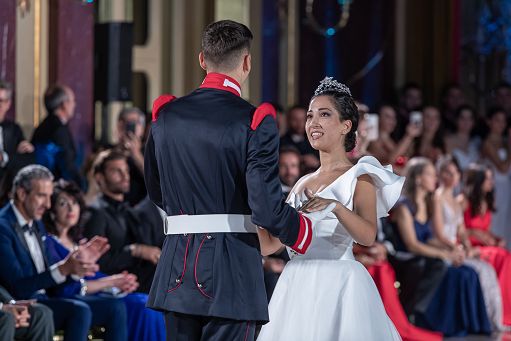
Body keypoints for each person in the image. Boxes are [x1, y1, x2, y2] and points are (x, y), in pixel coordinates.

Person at [144, 20, 327, 340]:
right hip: (232, 270)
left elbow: (156, 190)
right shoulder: (255, 120)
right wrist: (302, 230)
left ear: (202, 60)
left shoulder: (166, 114)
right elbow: (266, 208)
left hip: (176, 269)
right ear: (247, 62)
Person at [256, 77, 403, 340]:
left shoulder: (360, 174)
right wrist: (251, 206)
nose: (313, 122)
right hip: (297, 285)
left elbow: (367, 236)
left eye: (325, 114)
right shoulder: (302, 182)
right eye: (310, 115)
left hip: (340, 283)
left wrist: (335, 206)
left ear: (346, 125)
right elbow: (270, 245)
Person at [0, 164, 127, 340]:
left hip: (47, 297)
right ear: (22, 194)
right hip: (22, 301)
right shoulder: (3, 226)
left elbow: (51, 278)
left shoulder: (36, 223)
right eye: (41, 196)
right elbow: (17, 287)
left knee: (115, 307)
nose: (48, 204)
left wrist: (76, 269)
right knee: (78, 311)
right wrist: (63, 269)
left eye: (49, 197)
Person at [43, 180, 166, 341]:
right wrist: (112, 282)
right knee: (141, 305)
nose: (71, 208)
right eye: (63, 203)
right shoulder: (49, 243)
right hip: (74, 299)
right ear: (51, 211)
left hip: (97, 294)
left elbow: (93, 275)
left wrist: (120, 282)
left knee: (147, 301)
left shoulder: (78, 243)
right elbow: (68, 286)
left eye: (74, 203)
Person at [390, 157, 490, 336]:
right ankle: (412, 312)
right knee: (442, 266)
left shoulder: (426, 204)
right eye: (430, 174)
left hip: (422, 255)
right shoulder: (404, 207)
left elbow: (428, 238)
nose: (435, 178)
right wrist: (443, 255)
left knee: (466, 271)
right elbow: (412, 245)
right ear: (419, 178)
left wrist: (452, 250)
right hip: (406, 258)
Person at [432, 156, 507, 331]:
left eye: (456, 172)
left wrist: (467, 246)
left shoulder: (454, 200)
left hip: (458, 247)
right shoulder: (439, 198)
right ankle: (485, 321)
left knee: (487, 271)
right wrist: (458, 247)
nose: (454, 176)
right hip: (445, 247)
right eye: (449, 172)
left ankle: (493, 321)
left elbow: (462, 230)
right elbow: (440, 233)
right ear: (441, 175)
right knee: (481, 270)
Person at [83, 150, 161, 293]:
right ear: (100, 178)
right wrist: (134, 251)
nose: (125, 176)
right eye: (116, 171)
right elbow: (97, 263)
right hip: (115, 287)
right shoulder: (96, 213)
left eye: (126, 171)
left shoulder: (128, 211)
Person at [463, 164, 511, 325]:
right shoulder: (464, 201)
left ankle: (502, 308)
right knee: (503, 256)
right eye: (488, 178)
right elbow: (459, 230)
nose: (491, 182)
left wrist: (496, 239)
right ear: (478, 181)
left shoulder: (486, 202)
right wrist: (473, 233)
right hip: (469, 247)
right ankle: (501, 313)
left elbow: (486, 231)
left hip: (484, 246)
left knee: (502, 252)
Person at [31, 85, 83, 186]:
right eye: (73, 101)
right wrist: (80, 186)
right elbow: (66, 164)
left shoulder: (44, 126)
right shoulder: (58, 130)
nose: (74, 105)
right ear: (64, 104)